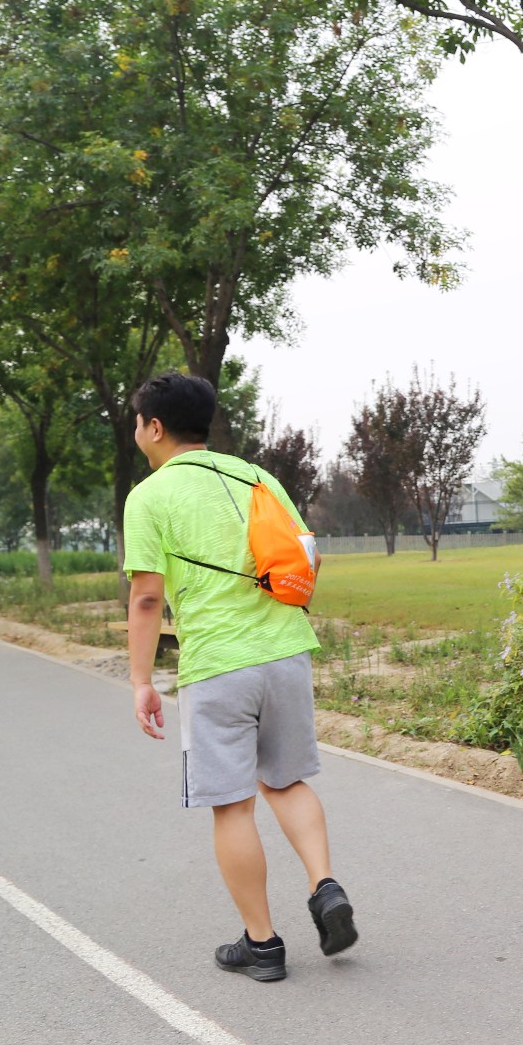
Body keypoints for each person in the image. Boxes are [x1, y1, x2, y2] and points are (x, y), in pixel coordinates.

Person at [123, 371, 354, 982]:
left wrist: (141, 679)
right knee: (288, 780)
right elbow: (308, 555)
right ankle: (324, 885)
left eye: (136, 422)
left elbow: (147, 598)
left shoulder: (149, 496)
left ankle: (264, 944)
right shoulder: (256, 476)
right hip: (285, 654)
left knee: (232, 807)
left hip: (217, 665)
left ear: (154, 427)